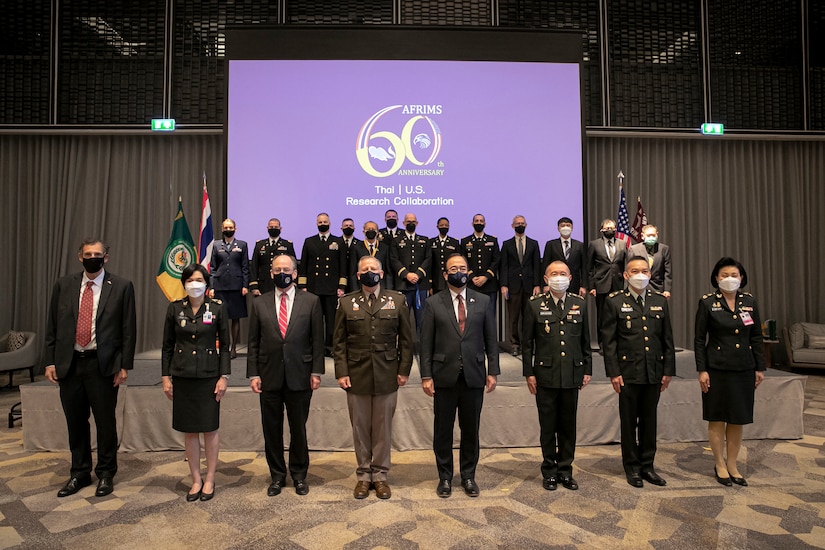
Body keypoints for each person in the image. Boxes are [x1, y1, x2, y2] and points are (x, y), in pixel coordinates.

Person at [44, 239, 136, 498]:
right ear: (79, 257)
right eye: (88, 254)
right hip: (69, 364)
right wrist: (50, 360)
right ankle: (80, 472)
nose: (92, 258)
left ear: (106, 257)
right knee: (75, 421)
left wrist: (124, 365)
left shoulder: (121, 286)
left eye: (97, 254)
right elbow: (52, 324)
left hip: (103, 365)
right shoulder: (64, 285)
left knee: (105, 422)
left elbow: (128, 330)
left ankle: (106, 473)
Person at [333, 256, 414, 499]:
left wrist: (403, 370)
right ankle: (363, 475)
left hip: (387, 373)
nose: (370, 272)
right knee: (359, 428)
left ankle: (380, 475)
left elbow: (408, 341)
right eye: (365, 269)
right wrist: (341, 371)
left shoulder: (397, 300)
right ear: (358, 276)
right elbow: (338, 342)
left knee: (382, 429)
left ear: (381, 272)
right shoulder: (346, 303)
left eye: (374, 268)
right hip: (356, 375)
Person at [420, 254, 499, 498]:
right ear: (445, 274)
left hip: (474, 375)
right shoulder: (433, 303)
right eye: (453, 268)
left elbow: (490, 339)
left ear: (469, 271)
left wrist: (493, 370)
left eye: (462, 268)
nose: (458, 271)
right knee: (443, 430)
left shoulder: (483, 301)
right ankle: (444, 477)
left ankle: (468, 476)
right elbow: (426, 343)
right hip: (443, 376)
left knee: (470, 430)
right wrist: (426, 375)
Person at [248, 255, 324, 496]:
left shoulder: (311, 301)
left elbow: (317, 340)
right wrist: (253, 374)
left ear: (295, 272)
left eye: (286, 269)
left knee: (298, 429)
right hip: (268, 375)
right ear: (270, 273)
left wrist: (316, 371)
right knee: (271, 429)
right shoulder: (259, 303)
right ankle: (277, 476)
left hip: (300, 375)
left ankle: (300, 475)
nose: (282, 272)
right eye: (277, 269)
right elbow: (253, 343)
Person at [601, 256, 675, 488]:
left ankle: (647, 466)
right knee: (629, 421)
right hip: (628, 372)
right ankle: (631, 467)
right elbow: (609, 341)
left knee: (649, 421)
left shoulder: (659, 301)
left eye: (644, 270)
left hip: (653, 371)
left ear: (651, 274)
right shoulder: (614, 301)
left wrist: (668, 370)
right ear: (625, 275)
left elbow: (667, 340)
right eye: (635, 270)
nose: (640, 274)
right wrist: (613, 372)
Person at [161, 264, 231, 502]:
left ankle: (210, 478)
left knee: (210, 429)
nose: (194, 283)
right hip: (183, 376)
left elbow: (226, 345)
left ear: (206, 282)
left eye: (199, 279)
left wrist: (224, 377)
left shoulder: (217, 308)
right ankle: (195, 479)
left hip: (209, 376)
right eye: (190, 279)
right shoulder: (174, 309)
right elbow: (167, 346)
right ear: (184, 283)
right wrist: (165, 377)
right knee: (190, 431)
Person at [694, 257, 765, 487]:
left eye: (734, 275)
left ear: (741, 277)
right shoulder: (707, 303)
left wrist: (759, 367)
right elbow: (698, 339)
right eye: (724, 275)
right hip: (716, 369)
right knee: (717, 418)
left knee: (737, 419)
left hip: (743, 368)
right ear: (716, 278)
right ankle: (719, 464)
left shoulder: (749, 301)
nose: (729, 279)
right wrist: (702, 370)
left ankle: (733, 464)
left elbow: (755, 336)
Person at [522, 260, 591, 491]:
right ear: (545, 279)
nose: (558, 277)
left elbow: (585, 341)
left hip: (572, 373)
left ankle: (565, 470)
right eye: (554, 274)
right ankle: (549, 471)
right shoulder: (534, 304)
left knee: (568, 426)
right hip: (545, 375)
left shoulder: (579, 304)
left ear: (570, 278)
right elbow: (526, 344)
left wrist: (587, 369)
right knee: (548, 426)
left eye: (563, 273)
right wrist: (528, 373)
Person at [298, 213, 347, 356]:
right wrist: (303, 286)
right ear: (316, 224)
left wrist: (341, 286)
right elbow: (304, 266)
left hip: (332, 288)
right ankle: (316, 348)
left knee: (332, 322)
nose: (322, 224)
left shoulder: (338, 242)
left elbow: (342, 266)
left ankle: (330, 348)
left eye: (325, 221)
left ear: (330, 223)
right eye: (320, 222)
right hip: (314, 288)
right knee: (315, 321)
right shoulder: (309, 241)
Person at [500, 215, 542, 356]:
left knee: (529, 317)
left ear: (526, 225)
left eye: (522, 223)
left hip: (530, 286)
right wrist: (504, 285)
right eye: (517, 223)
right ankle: (514, 344)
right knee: (513, 318)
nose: (520, 225)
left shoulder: (533, 243)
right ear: (512, 226)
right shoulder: (506, 244)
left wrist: (537, 284)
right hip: (513, 286)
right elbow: (503, 266)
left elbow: (537, 266)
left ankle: (528, 344)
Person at [209, 218, 249, 359]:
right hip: (220, 285)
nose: (228, 229)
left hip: (236, 286)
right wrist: (211, 286)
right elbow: (213, 268)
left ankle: (233, 348)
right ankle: (223, 347)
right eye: (226, 227)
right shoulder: (216, 245)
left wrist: (245, 285)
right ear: (222, 228)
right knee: (220, 318)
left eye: (230, 227)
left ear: (235, 229)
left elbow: (245, 267)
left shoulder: (242, 245)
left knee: (235, 318)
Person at [389, 212, 431, 331]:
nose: (411, 223)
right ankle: (403, 348)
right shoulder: (396, 240)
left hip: (420, 285)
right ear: (403, 223)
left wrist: (417, 274)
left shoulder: (424, 240)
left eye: (413, 221)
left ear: (417, 223)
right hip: (403, 285)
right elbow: (394, 259)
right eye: (408, 221)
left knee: (422, 319)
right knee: (402, 320)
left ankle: (422, 348)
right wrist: (406, 274)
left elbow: (428, 259)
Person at [587, 218, 626, 347]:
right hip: (601, 285)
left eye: (612, 228)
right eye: (607, 228)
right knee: (602, 316)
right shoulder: (594, 244)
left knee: (619, 314)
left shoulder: (622, 243)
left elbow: (626, 266)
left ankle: (618, 342)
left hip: (618, 285)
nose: (610, 230)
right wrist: (591, 287)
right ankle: (603, 343)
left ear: (615, 229)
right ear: (601, 230)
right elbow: (589, 268)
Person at [460, 214, 501, 320]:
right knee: (471, 316)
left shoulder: (492, 240)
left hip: (489, 285)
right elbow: (463, 261)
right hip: (471, 284)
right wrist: (472, 276)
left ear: (485, 224)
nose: (479, 223)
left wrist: (486, 277)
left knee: (489, 316)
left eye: (481, 221)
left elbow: (496, 260)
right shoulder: (465, 241)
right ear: (472, 223)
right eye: (476, 221)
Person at [249, 218, 296, 297]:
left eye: (276, 227)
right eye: (271, 227)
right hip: (263, 285)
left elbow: (293, 265)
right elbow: (254, 266)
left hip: (282, 283)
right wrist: (254, 286)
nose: (273, 229)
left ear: (280, 229)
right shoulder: (260, 245)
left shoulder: (287, 245)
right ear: (267, 228)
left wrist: (294, 282)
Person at [542, 217, 588, 297]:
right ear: (558, 228)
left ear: (572, 227)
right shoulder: (551, 244)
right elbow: (545, 265)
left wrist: (583, 286)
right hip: (556, 283)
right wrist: (545, 285)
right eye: (562, 225)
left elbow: (584, 267)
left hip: (575, 284)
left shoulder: (579, 245)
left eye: (568, 225)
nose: (565, 227)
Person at [628, 225, 672, 298]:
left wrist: (667, 290)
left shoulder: (664, 249)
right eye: (648, 235)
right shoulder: (634, 249)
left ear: (657, 235)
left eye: (653, 235)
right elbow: (629, 270)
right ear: (642, 236)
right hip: (638, 287)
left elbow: (668, 272)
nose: (651, 237)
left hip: (658, 288)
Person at [349, 220, 392, 290]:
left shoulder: (384, 248)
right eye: (368, 229)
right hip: (361, 287)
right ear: (363, 232)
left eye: (373, 229)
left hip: (381, 287)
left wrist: (388, 288)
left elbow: (388, 271)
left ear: (377, 232)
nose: (371, 231)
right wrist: (355, 289)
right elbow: (353, 272)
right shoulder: (356, 247)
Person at [428, 217, 460, 294]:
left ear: (449, 227)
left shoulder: (454, 242)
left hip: (450, 279)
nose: (444, 227)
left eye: (446, 225)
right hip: (436, 280)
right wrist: (430, 284)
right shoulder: (431, 242)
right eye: (442, 225)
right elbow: (429, 263)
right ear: (437, 227)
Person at [340, 217, 360, 292]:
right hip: (340, 281)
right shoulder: (337, 243)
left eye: (350, 226)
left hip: (354, 282)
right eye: (346, 226)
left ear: (354, 228)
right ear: (341, 228)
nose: (348, 227)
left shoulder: (359, 244)